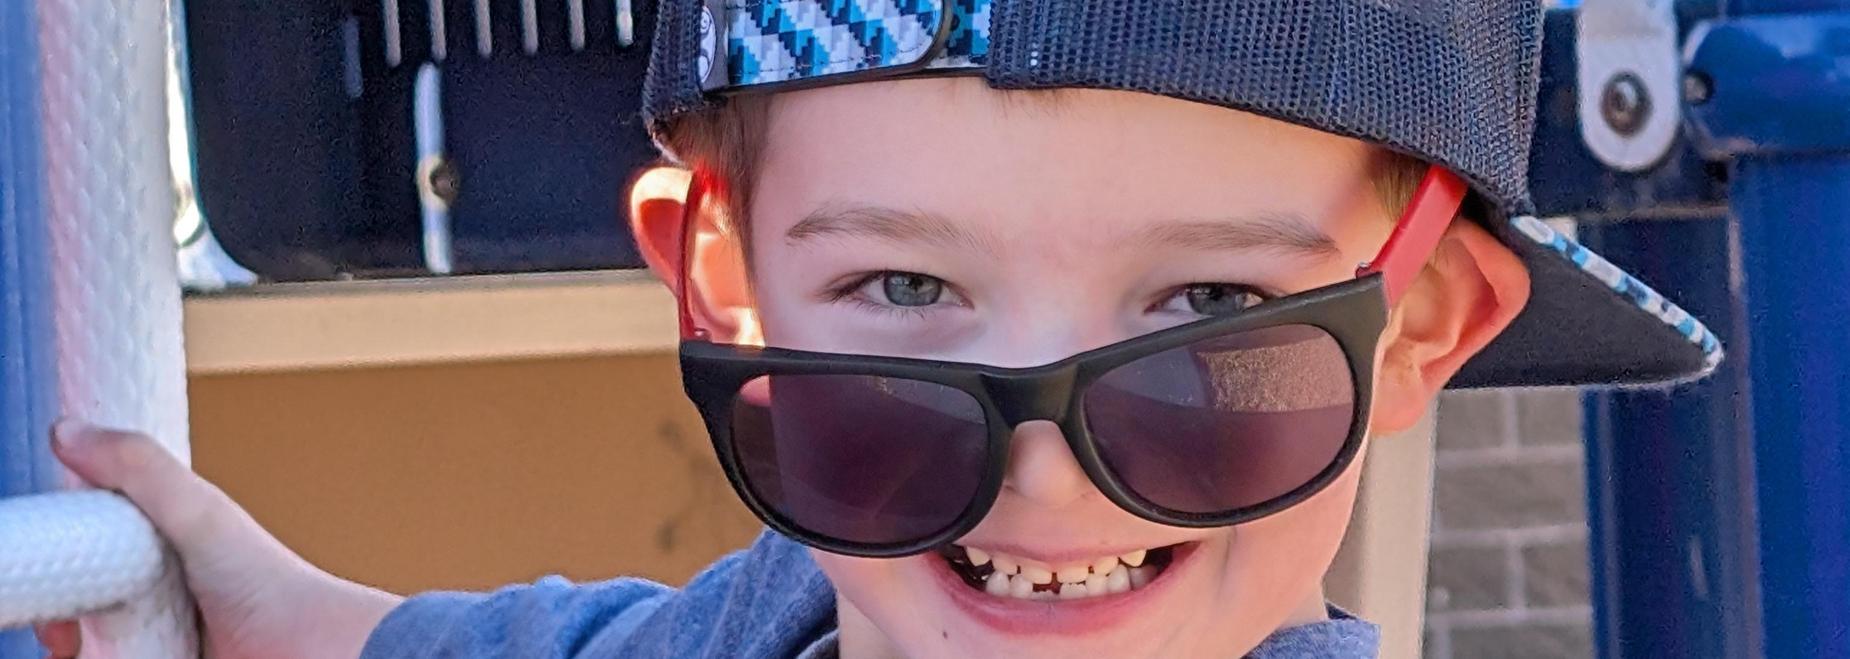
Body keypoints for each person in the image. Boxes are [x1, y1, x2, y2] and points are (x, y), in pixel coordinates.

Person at [38, 1, 1721, 657]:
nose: (1047, 482)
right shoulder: (759, 633)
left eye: (1208, 312)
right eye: (906, 298)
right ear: (724, 286)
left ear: (1420, 325)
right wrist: (250, 601)